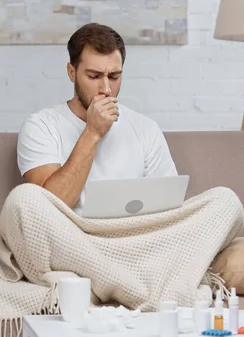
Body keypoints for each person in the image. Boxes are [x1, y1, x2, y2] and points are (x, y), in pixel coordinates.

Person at [16, 22, 178, 215]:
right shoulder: (41, 126)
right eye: (94, 76)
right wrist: (92, 133)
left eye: (114, 76)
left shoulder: (146, 129)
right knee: (17, 203)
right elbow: (49, 209)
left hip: (133, 235)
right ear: (72, 72)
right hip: (70, 235)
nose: (106, 89)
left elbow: (169, 207)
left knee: (221, 198)